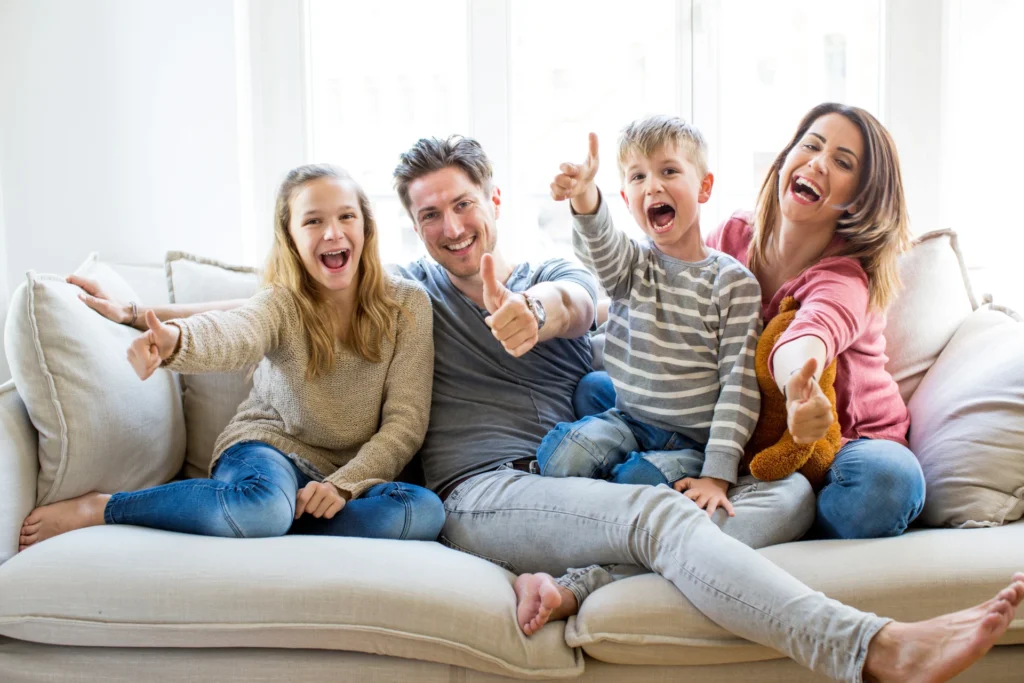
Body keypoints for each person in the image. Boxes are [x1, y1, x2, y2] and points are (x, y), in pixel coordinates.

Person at [56, 138, 1024, 683]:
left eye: (462, 205)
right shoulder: (403, 295)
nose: (450, 227)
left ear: (493, 199)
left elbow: (581, 306)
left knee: (781, 501)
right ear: (412, 227)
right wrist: (144, 313)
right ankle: (869, 646)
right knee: (659, 513)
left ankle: (576, 576)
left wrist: (529, 311)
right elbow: (269, 306)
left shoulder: (562, 269)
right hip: (486, 491)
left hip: (589, 481)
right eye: (428, 214)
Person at [18, 164, 444, 549]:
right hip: (271, 451)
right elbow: (235, 331)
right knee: (259, 506)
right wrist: (174, 341)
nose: (332, 233)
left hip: (351, 476)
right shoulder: (281, 302)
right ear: (292, 240)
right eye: (313, 221)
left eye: (345, 216)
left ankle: (276, 519)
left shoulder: (408, 304)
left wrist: (342, 486)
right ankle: (104, 508)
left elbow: (405, 424)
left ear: (366, 227)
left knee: (421, 511)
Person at [576, 103, 924, 541]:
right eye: (811, 145)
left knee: (889, 482)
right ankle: (734, 493)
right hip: (744, 429)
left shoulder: (845, 278)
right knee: (597, 389)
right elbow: (665, 293)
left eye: (841, 161)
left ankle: (786, 510)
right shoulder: (734, 235)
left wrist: (800, 388)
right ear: (786, 160)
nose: (817, 162)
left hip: (842, 445)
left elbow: (807, 337)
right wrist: (575, 316)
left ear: (860, 197)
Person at [536, 115, 768, 522]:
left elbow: (739, 387)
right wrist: (585, 195)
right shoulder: (632, 265)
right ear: (626, 199)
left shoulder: (734, 283)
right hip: (629, 419)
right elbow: (600, 247)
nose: (653, 186)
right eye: (638, 177)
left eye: (669, 171)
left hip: (692, 444)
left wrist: (717, 474)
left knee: (636, 481)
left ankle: (610, 512)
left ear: (705, 187)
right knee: (560, 456)